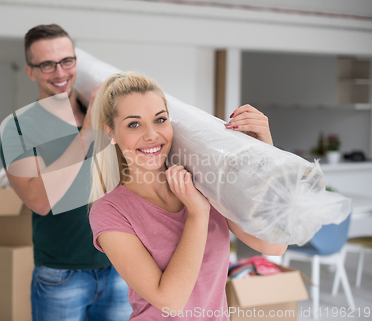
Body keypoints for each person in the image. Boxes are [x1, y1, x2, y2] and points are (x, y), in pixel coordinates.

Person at [88, 72, 287, 320]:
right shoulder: (110, 211)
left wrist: (264, 153)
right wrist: (198, 213)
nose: (151, 134)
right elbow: (170, 301)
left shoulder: (204, 183)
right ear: (112, 134)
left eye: (160, 120)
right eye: (134, 124)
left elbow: (274, 244)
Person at [1, 24, 131, 321]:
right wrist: (87, 133)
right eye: (47, 64)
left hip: (121, 266)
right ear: (31, 71)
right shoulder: (19, 128)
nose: (60, 73)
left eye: (66, 61)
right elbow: (40, 201)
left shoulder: (102, 112)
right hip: (62, 273)